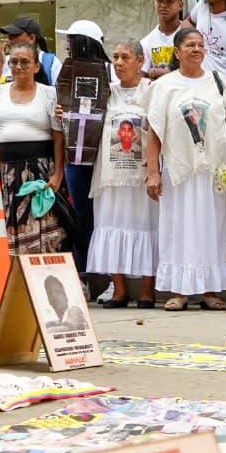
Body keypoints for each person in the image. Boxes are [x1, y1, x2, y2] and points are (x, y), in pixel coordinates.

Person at [145, 29, 226, 311]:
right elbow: (154, 133)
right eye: (190, 45)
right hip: (179, 171)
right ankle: (180, 291)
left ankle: (210, 290)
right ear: (177, 51)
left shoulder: (217, 80)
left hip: (213, 171)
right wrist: (153, 172)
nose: (196, 49)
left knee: (211, 227)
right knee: (178, 227)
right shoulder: (164, 86)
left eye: (200, 45)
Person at [0, 42, 78, 255]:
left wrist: (58, 174)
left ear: (36, 67)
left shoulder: (49, 94)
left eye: (24, 62)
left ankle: (40, 281)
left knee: (43, 228)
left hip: (39, 172)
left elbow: (58, 137)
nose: (18, 66)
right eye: (13, 62)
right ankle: (12, 282)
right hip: (2, 174)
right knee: (5, 227)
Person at [87, 39, 158, 309]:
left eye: (125, 57)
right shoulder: (106, 92)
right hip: (112, 175)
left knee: (147, 225)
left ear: (140, 61)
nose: (118, 63)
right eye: (115, 57)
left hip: (141, 174)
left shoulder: (152, 90)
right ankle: (118, 289)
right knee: (112, 223)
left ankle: (146, 289)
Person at [54, 20, 112, 293]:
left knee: (103, 216)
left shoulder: (109, 72)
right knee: (80, 217)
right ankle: (84, 272)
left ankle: (105, 274)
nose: (68, 47)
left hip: (103, 158)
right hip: (74, 158)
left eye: (72, 41)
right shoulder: (65, 70)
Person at [142, 0, 188, 80]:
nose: (163, 5)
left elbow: (193, 71)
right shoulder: (147, 42)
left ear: (180, 5)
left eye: (169, 1)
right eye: (159, 0)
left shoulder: (189, 37)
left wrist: (162, 73)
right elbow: (141, 77)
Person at [0, 16, 61, 86]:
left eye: (14, 35)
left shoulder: (51, 63)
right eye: (9, 36)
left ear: (31, 38)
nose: (9, 40)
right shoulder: (4, 62)